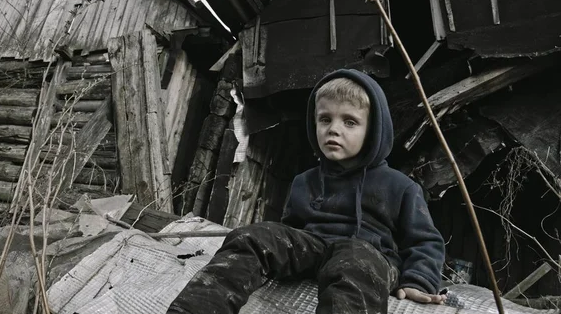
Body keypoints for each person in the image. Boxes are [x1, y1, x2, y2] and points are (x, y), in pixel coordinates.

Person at [167, 69, 446, 314]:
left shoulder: (400, 186)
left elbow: (425, 242)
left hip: (369, 257)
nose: (333, 129)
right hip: (314, 249)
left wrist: (418, 281)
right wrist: (272, 247)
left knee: (355, 257)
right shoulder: (304, 181)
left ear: (374, 131)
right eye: (325, 119)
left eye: (349, 122)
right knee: (253, 234)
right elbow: (291, 231)